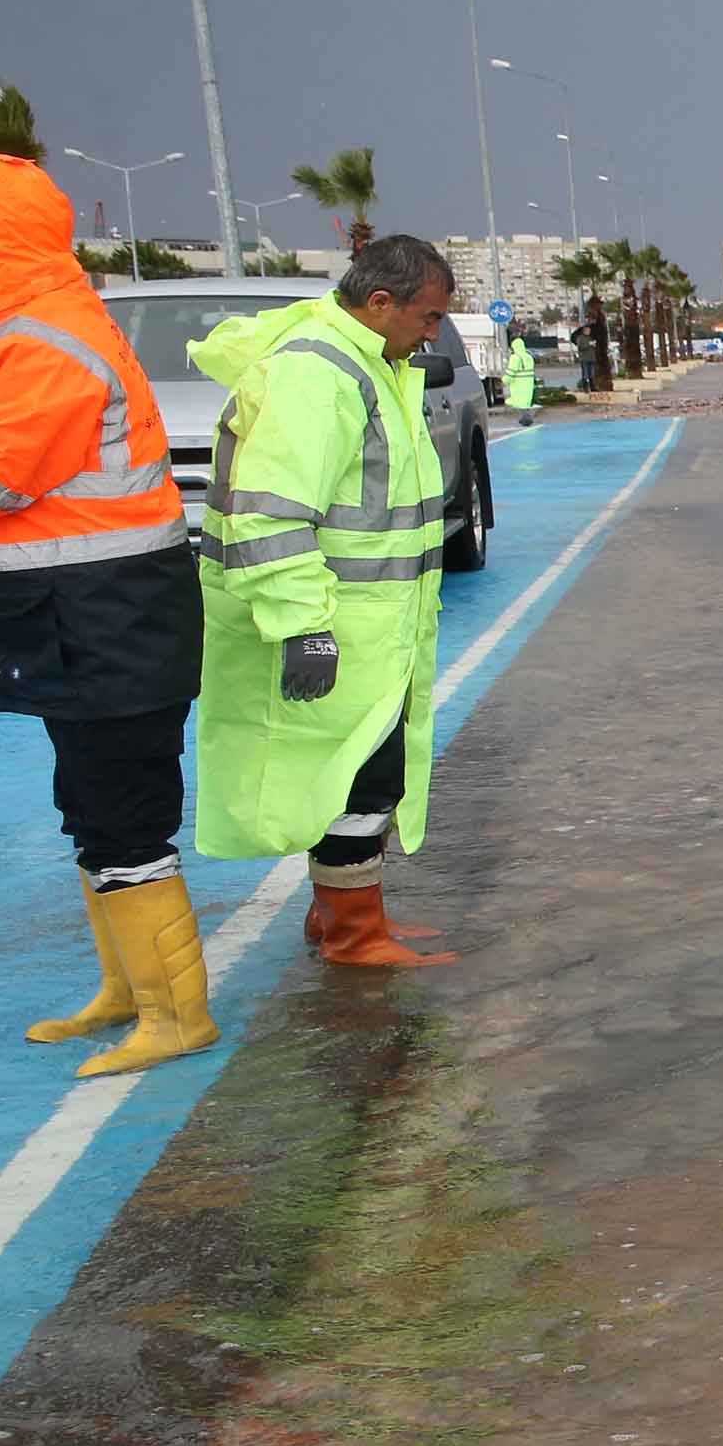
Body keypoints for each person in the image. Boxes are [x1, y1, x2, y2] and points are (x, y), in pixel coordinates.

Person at [0, 150, 214, 1071]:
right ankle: (128, 991)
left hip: (109, 613)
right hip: (71, 610)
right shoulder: (12, 324)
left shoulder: (42, 337)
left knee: (126, 813)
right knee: (86, 804)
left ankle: (178, 1015)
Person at [189, 235, 457, 966]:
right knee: (359, 782)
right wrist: (305, 627)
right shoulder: (319, 375)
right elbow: (271, 512)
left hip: (372, 626)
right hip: (334, 622)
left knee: (357, 770)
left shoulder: (369, 365)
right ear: (379, 303)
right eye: (428, 317)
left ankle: (338, 914)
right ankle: (353, 934)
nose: (433, 334)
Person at [502, 319, 539, 412]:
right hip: (528, 385)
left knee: (515, 403)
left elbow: (510, 374)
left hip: (517, 386)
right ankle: (527, 417)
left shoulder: (515, 357)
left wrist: (504, 380)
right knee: (525, 403)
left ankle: (524, 419)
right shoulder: (529, 356)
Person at [578, 294, 611, 393]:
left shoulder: (599, 320)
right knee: (586, 374)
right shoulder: (581, 338)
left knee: (591, 374)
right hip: (585, 359)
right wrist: (590, 345)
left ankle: (593, 387)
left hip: (592, 358)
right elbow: (581, 346)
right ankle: (585, 388)